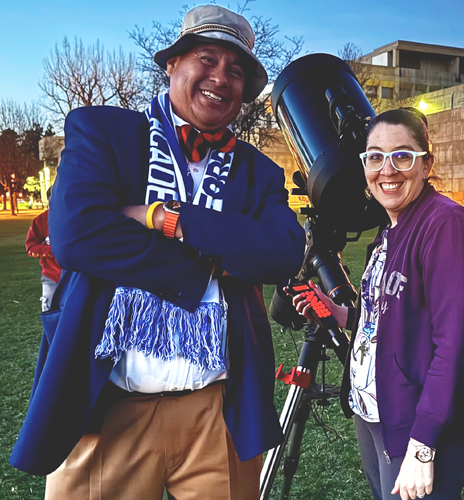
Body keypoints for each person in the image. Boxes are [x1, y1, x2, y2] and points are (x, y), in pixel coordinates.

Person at [10, 5, 305, 500]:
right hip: (109, 405)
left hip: (219, 411)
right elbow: (78, 234)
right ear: (172, 64)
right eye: (206, 60)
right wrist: (215, 259)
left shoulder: (258, 171)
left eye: (236, 70)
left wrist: (167, 218)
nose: (220, 78)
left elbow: (281, 254)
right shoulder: (104, 131)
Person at [292, 108, 464, 500]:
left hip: (415, 426)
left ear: (427, 163)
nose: (387, 169)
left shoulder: (445, 225)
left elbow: (454, 345)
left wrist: (423, 444)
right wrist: (337, 313)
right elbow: (383, 319)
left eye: (403, 155)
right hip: (375, 415)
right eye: (375, 156)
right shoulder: (389, 229)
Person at [25, 187, 62, 312]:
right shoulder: (40, 220)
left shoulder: (77, 218)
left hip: (75, 276)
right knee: (50, 314)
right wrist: (53, 250)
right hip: (51, 276)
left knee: (75, 317)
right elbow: (30, 247)